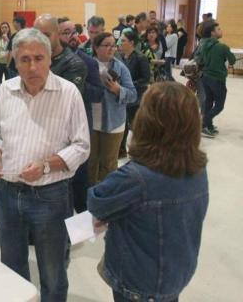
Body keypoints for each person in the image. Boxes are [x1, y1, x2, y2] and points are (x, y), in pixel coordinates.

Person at [0, 28, 90, 301]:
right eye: (25, 59)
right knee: (12, 265)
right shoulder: (5, 90)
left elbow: (81, 146)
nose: (32, 66)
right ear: (14, 61)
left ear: (50, 59)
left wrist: (45, 166)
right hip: (6, 194)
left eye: (39, 58)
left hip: (50, 197)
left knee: (53, 271)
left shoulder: (68, 93)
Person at [88, 82, 208, 302]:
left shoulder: (136, 178)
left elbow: (97, 201)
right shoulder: (198, 169)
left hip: (139, 283)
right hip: (175, 274)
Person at [58, 17, 104, 212]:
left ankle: (81, 230)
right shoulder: (50, 63)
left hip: (80, 126)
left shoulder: (87, 62)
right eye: (66, 32)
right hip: (57, 128)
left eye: (74, 31)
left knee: (80, 182)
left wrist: (76, 84)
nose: (73, 36)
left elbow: (99, 94)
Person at [88, 33, 137, 185]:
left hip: (114, 122)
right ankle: (88, 197)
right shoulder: (87, 65)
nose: (111, 48)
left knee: (109, 164)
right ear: (96, 48)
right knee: (90, 163)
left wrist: (118, 90)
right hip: (90, 122)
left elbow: (133, 95)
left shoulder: (120, 67)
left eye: (113, 45)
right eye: (106, 45)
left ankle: (106, 195)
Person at [199, 21, 236, 138]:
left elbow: (201, 60)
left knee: (209, 102)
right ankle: (203, 123)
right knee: (219, 106)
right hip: (217, 79)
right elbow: (233, 60)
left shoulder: (203, 45)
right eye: (218, 29)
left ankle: (207, 126)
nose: (221, 30)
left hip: (205, 78)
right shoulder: (222, 47)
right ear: (213, 33)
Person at [34, 14, 87, 94]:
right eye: (37, 36)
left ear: (58, 34)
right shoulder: (35, 59)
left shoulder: (74, 64)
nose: (41, 40)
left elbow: (67, 100)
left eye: (46, 35)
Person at [118, 30, 150, 158]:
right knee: (123, 124)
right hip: (125, 96)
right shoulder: (121, 57)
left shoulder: (140, 58)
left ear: (132, 43)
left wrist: (129, 84)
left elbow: (146, 78)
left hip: (136, 97)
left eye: (124, 40)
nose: (120, 42)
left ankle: (141, 151)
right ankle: (121, 150)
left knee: (136, 125)